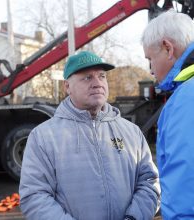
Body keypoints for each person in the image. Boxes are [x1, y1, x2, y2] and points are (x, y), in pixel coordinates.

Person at [19, 50, 160, 220]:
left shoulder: (131, 132)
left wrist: (134, 217)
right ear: (67, 87)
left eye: (101, 76)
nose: (97, 83)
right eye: (87, 77)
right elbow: (34, 196)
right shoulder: (43, 137)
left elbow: (149, 182)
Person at [142, 10, 194, 219]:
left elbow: (186, 178)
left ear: (168, 48)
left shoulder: (186, 99)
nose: (151, 69)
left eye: (150, 59)